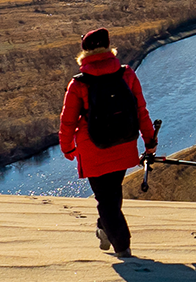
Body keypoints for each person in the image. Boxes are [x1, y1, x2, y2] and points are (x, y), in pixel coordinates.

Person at [59, 28, 157, 258]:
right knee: (113, 193)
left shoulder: (79, 84)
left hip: (93, 149)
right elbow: (140, 110)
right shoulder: (126, 74)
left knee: (106, 199)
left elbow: (67, 122)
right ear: (109, 47)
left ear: (84, 52)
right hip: (124, 144)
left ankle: (122, 247)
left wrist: (67, 148)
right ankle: (104, 229)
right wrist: (149, 141)